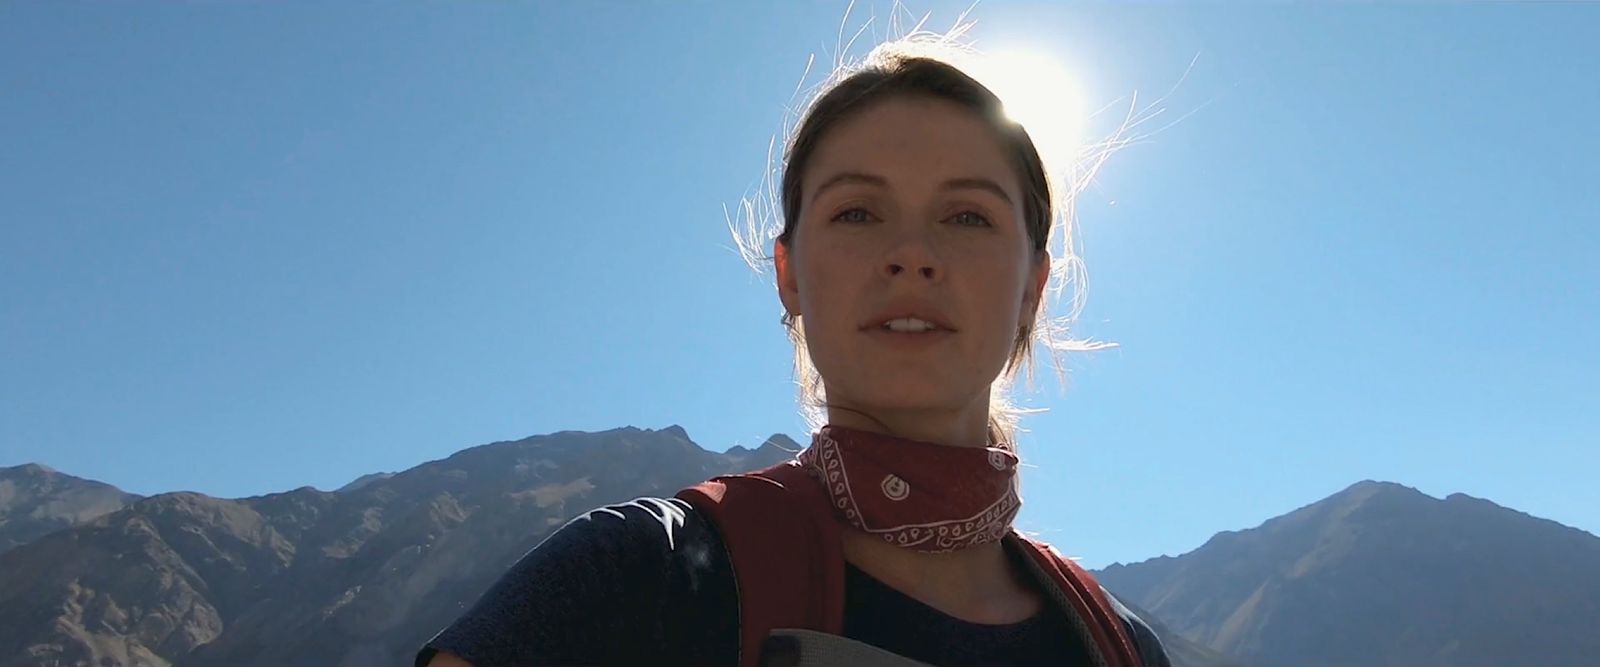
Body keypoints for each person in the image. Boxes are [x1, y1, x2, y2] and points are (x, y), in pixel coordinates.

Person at [417, 36, 1172, 667]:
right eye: (857, 211)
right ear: (790, 276)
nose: (912, 254)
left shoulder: (1120, 644)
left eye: (968, 216)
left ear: (1032, 288)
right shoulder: (634, 580)